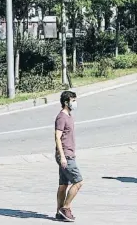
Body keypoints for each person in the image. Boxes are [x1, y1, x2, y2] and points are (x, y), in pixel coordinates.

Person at [55, 90, 84, 222]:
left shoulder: (69, 116)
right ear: (66, 102)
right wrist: (62, 156)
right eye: (73, 100)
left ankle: (59, 212)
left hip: (68, 154)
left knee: (63, 185)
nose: (75, 103)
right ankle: (65, 208)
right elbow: (57, 137)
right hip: (65, 155)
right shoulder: (61, 117)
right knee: (78, 182)